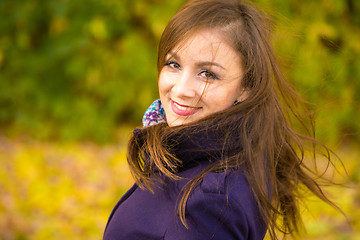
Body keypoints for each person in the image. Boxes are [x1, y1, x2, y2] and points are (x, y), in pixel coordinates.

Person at [103, 0, 340, 239]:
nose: (182, 89)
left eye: (208, 74)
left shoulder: (212, 200)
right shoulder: (194, 155)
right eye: (173, 64)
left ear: (245, 87)